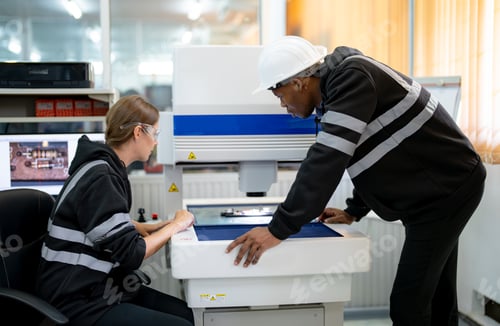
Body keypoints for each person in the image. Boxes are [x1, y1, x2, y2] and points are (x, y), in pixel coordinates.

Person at [225, 35, 486, 326]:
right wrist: (354, 210)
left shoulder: (352, 78)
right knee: (438, 295)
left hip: (446, 190)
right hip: (435, 189)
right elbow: (373, 155)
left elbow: (325, 160)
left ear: (299, 82)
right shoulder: (336, 93)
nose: (283, 105)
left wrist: (277, 229)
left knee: (408, 306)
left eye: (280, 95)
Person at [36, 95, 195, 326]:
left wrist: (141, 227)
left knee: (184, 313)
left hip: (101, 287)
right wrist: (176, 225)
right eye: (156, 134)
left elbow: (97, 225)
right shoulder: (102, 177)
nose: (156, 142)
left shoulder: (102, 166)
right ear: (139, 132)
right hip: (76, 300)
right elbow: (132, 254)